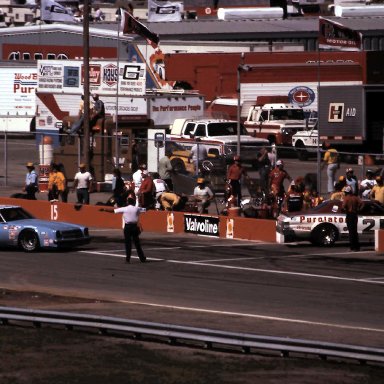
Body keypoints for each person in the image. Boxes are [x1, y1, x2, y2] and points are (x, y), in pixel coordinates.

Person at [102, 197, 146, 263]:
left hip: (127, 227)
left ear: (128, 202)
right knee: (137, 243)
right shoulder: (137, 208)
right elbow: (145, 209)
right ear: (133, 203)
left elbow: (113, 211)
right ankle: (142, 258)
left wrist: (104, 209)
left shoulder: (124, 209)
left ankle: (127, 259)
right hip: (134, 227)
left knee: (128, 244)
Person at [342, 185, 363, 252]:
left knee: (351, 232)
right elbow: (362, 203)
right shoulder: (356, 197)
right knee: (355, 231)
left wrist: (344, 209)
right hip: (355, 215)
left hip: (349, 215)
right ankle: (357, 247)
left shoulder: (346, 198)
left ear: (346, 192)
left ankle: (352, 247)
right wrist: (359, 209)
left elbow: (343, 206)